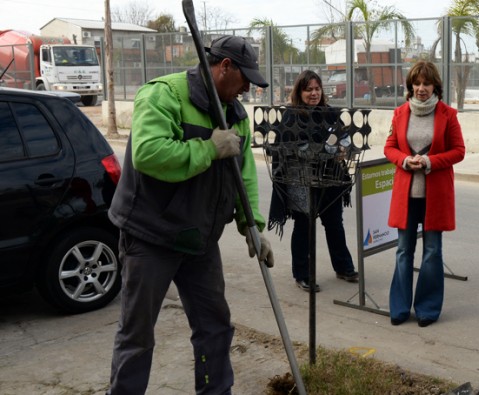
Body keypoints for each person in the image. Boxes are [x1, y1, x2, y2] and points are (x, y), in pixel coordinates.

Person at [106, 35, 273, 394]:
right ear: (225, 66)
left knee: (215, 327)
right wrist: (209, 148)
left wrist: (252, 225)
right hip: (151, 236)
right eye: (245, 78)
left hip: (199, 239)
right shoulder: (164, 95)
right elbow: (149, 154)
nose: (247, 88)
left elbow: (243, 175)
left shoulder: (235, 114)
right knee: (137, 336)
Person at [384, 60, 465, 328]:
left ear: (435, 86)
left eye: (426, 83)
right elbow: (390, 147)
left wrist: (430, 162)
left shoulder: (448, 115)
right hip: (406, 195)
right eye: (416, 84)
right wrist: (405, 161)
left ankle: (428, 309)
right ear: (410, 86)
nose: (421, 88)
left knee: (432, 252)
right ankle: (399, 307)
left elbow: (458, 151)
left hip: (435, 196)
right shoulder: (399, 113)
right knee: (403, 251)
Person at [267, 69, 358, 292]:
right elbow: (283, 148)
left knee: (334, 223)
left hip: (329, 179)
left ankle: (343, 267)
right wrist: (321, 151)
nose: (314, 94)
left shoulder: (329, 113)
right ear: (300, 91)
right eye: (309, 90)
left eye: (317, 89)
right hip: (302, 181)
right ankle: (302, 274)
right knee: (304, 226)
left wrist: (343, 150)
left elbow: (345, 139)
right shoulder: (291, 117)